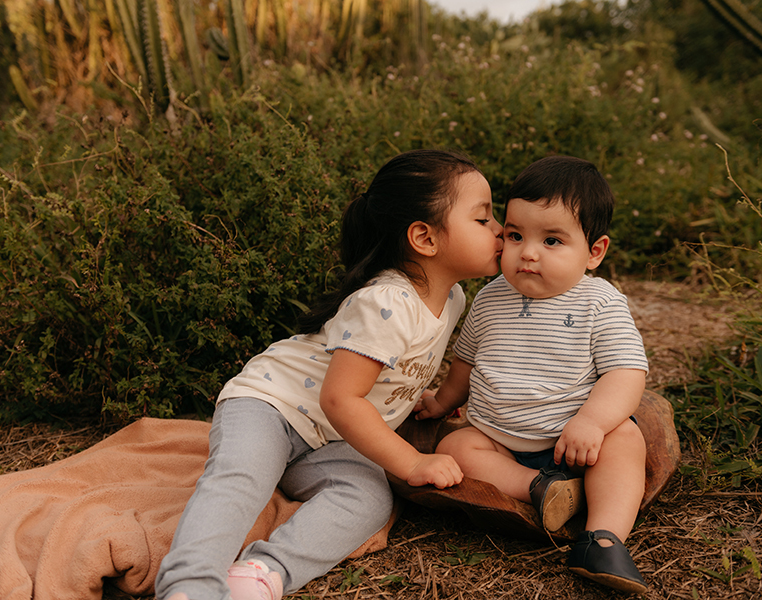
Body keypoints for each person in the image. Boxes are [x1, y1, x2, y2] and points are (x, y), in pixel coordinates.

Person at [156, 149, 504, 600]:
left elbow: (391, 371)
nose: (500, 230)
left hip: (333, 438)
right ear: (424, 237)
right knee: (241, 478)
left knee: (369, 499)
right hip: (272, 406)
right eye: (484, 219)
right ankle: (189, 584)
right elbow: (340, 399)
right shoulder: (388, 302)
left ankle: (263, 572)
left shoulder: (453, 296)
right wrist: (413, 462)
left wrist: (427, 398)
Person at [415, 155, 650, 594]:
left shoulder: (599, 303)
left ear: (594, 252)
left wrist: (592, 422)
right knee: (457, 445)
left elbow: (625, 373)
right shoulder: (488, 299)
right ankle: (542, 490)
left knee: (627, 439)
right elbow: (465, 364)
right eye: (516, 235)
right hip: (499, 438)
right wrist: (444, 401)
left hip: (576, 440)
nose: (527, 252)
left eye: (553, 241)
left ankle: (602, 538)